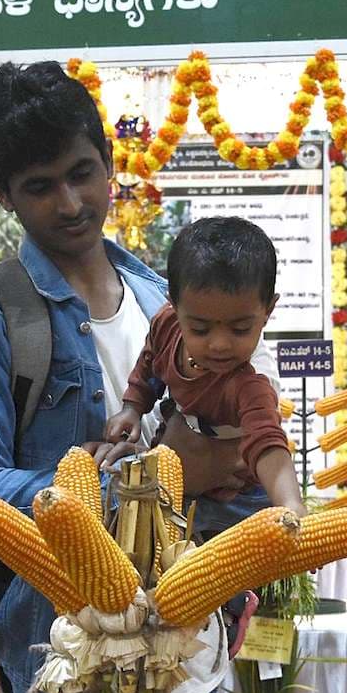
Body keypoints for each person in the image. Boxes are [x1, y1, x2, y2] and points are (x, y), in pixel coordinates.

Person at [0, 61, 275, 693]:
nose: (71, 201)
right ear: (1, 195)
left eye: (83, 171)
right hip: (70, 672)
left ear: (110, 160)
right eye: (39, 186)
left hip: (189, 656)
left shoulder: (169, 300)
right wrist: (132, 486)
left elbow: (232, 467)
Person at [104, 217, 305, 515]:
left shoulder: (250, 385)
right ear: (174, 306)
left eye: (239, 329)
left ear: (267, 311)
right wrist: (133, 408)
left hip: (235, 500)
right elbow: (149, 364)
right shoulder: (165, 325)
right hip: (175, 473)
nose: (219, 345)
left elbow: (268, 445)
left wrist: (290, 505)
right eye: (200, 329)